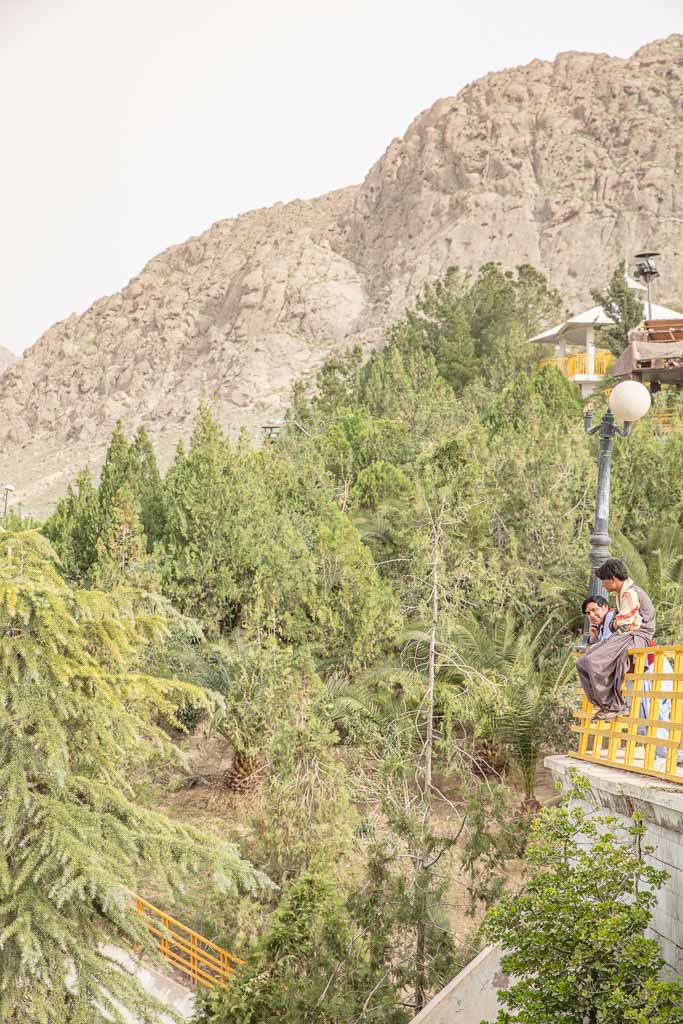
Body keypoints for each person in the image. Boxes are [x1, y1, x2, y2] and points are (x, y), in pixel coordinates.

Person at [581, 593, 678, 762]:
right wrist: (593, 638)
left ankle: (672, 757)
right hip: (637, 673)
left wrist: (595, 641)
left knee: (655, 714)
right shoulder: (603, 628)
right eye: (588, 614)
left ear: (605, 607)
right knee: (644, 717)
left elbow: (602, 655)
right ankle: (665, 756)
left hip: (650, 667)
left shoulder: (614, 619)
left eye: (594, 610)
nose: (592, 616)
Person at [576, 559, 655, 721]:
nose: (603, 585)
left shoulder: (629, 593)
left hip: (636, 636)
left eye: (604, 581)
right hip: (627, 636)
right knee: (582, 663)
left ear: (612, 579)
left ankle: (613, 705)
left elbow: (625, 620)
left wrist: (613, 623)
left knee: (592, 661)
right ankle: (606, 704)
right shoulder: (623, 594)